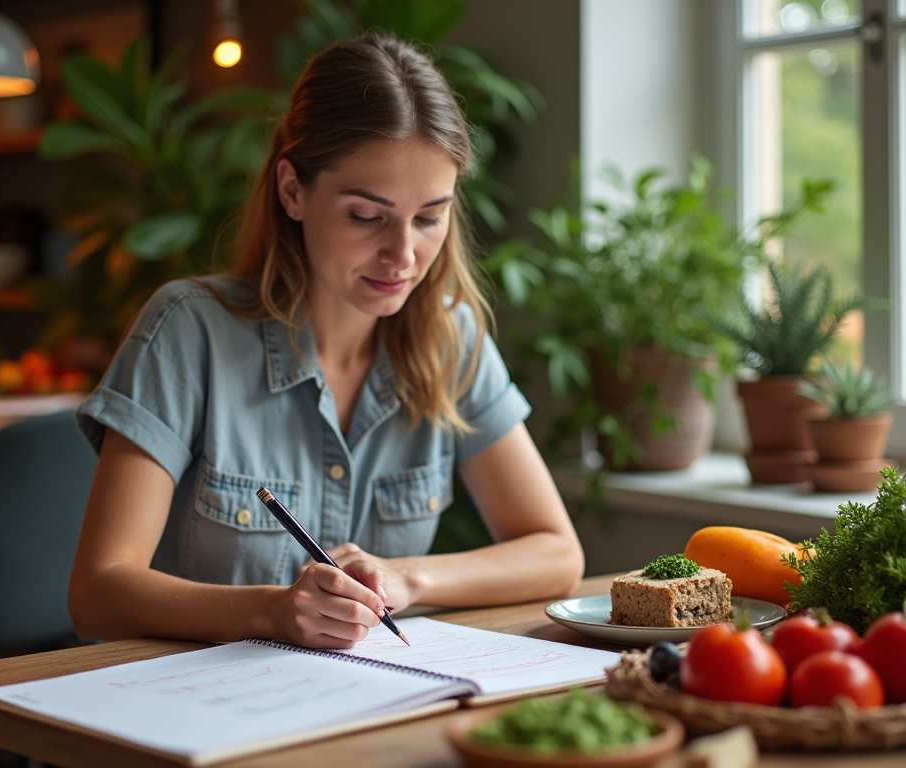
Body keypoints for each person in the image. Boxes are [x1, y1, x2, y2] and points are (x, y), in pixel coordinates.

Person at [68, 33, 584, 650]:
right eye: (367, 216)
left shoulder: (452, 338)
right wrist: (272, 613)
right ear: (292, 190)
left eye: (429, 217)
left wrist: (408, 578)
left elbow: (557, 554)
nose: (404, 254)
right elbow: (97, 596)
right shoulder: (188, 331)